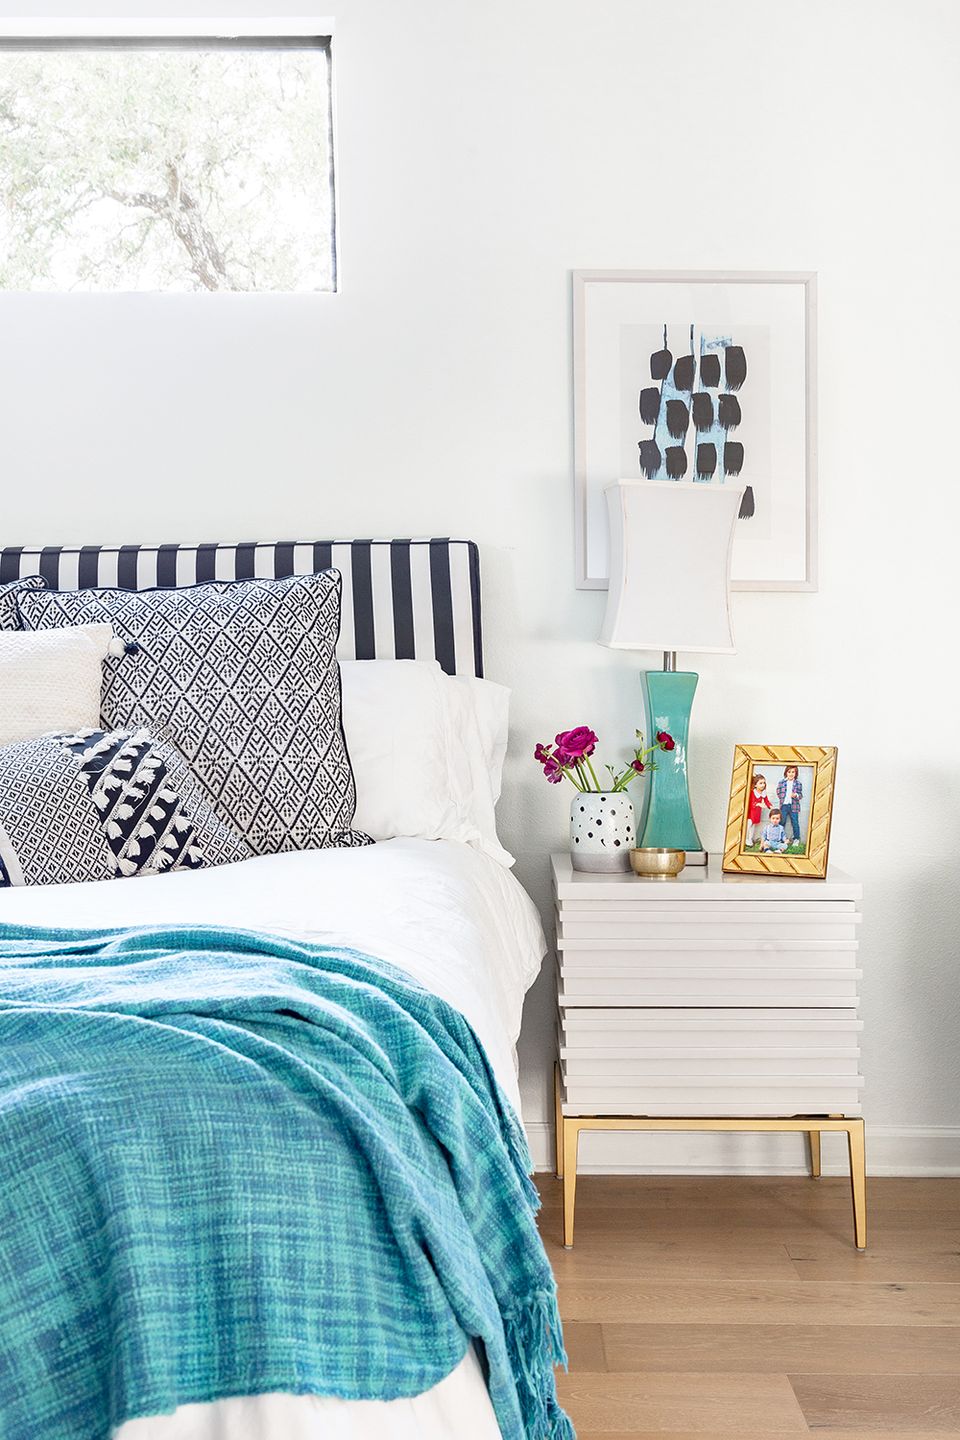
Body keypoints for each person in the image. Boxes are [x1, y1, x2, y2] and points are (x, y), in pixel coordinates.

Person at [777, 765, 804, 846]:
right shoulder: (781, 782)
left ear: (796, 773)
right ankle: (780, 838)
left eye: (793, 772)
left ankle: (796, 838)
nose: (791, 774)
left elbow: (800, 795)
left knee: (795, 822)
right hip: (784, 805)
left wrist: (795, 795)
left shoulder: (798, 783)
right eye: (789, 772)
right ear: (786, 773)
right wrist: (782, 798)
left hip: (794, 806)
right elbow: (778, 792)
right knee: (782, 821)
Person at [746, 773, 772, 845]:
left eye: (764, 783)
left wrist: (770, 806)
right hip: (751, 811)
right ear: (755, 785)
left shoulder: (763, 792)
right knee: (749, 825)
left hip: (757, 811)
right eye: (760, 783)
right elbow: (751, 803)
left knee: (753, 826)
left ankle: (750, 839)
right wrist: (758, 804)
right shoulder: (752, 792)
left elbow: (766, 801)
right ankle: (745, 839)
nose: (763, 785)